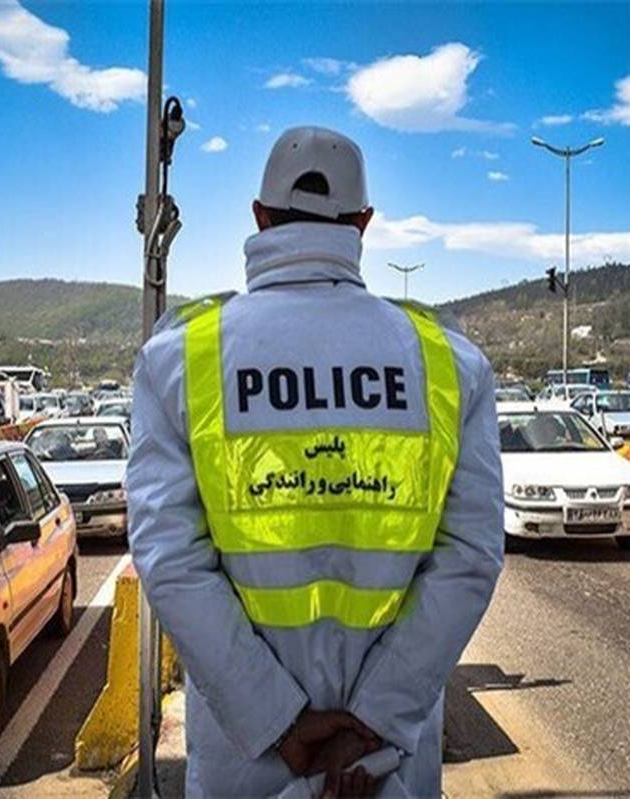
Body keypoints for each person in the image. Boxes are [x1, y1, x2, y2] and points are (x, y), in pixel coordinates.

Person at [127, 126, 504, 797]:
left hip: (247, 762)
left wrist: (278, 720)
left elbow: (170, 561)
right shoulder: (448, 363)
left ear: (260, 216)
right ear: (364, 223)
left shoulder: (180, 359)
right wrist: (373, 721)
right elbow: (471, 558)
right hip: (383, 764)